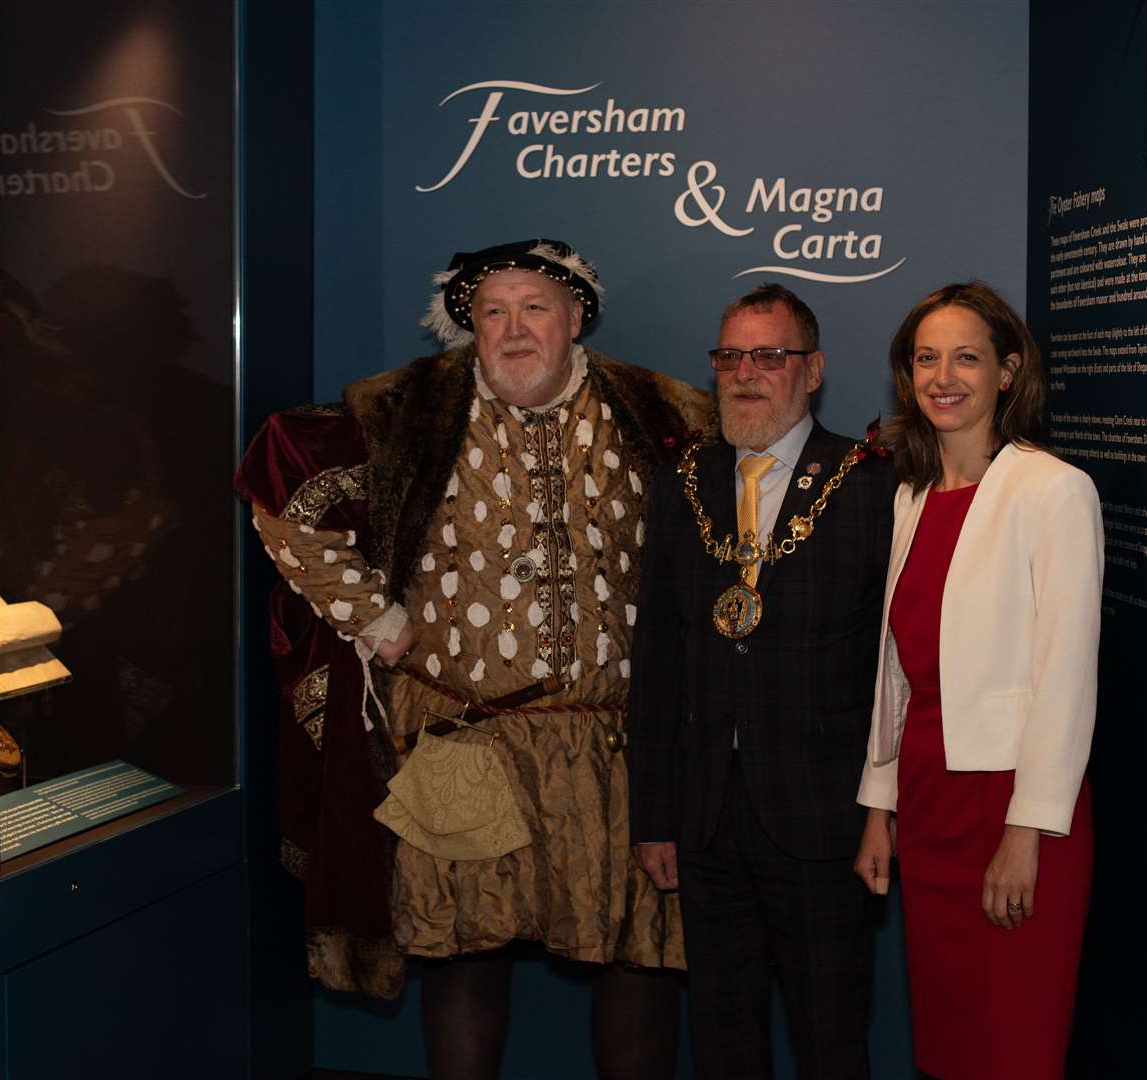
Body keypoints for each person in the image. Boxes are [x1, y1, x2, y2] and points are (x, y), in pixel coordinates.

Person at [237, 240, 708, 1080]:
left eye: (535, 308)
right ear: (469, 326)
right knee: (461, 954)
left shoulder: (656, 406)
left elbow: (759, 474)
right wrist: (369, 616)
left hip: (615, 749)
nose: (513, 328)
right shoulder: (411, 407)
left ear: (574, 319)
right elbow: (282, 483)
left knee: (640, 956)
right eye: (493, 311)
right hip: (462, 736)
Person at [627, 282, 894, 1078]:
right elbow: (659, 663)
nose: (746, 373)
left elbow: (893, 666)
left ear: (812, 371)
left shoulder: (870, 485)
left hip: (823, 820)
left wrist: (884, 806)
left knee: (830, 1040)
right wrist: (654, 815)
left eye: (769, 356)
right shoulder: (683, 486)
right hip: (705, 819)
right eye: (730, 356)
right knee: (723, 1040)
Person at [852, 282, 1100, 1079]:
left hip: (1014, 806)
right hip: (928, 801)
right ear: (906, 375)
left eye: (967, 357)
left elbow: (1066, 674)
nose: (943, 376)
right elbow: (897, 673)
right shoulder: (911, 495)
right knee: (950, 1041)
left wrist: (1027, 832)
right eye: (927, 358)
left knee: (1014, 1044)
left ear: (1008, 371)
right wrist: (878, 808)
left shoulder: (1054, 489)